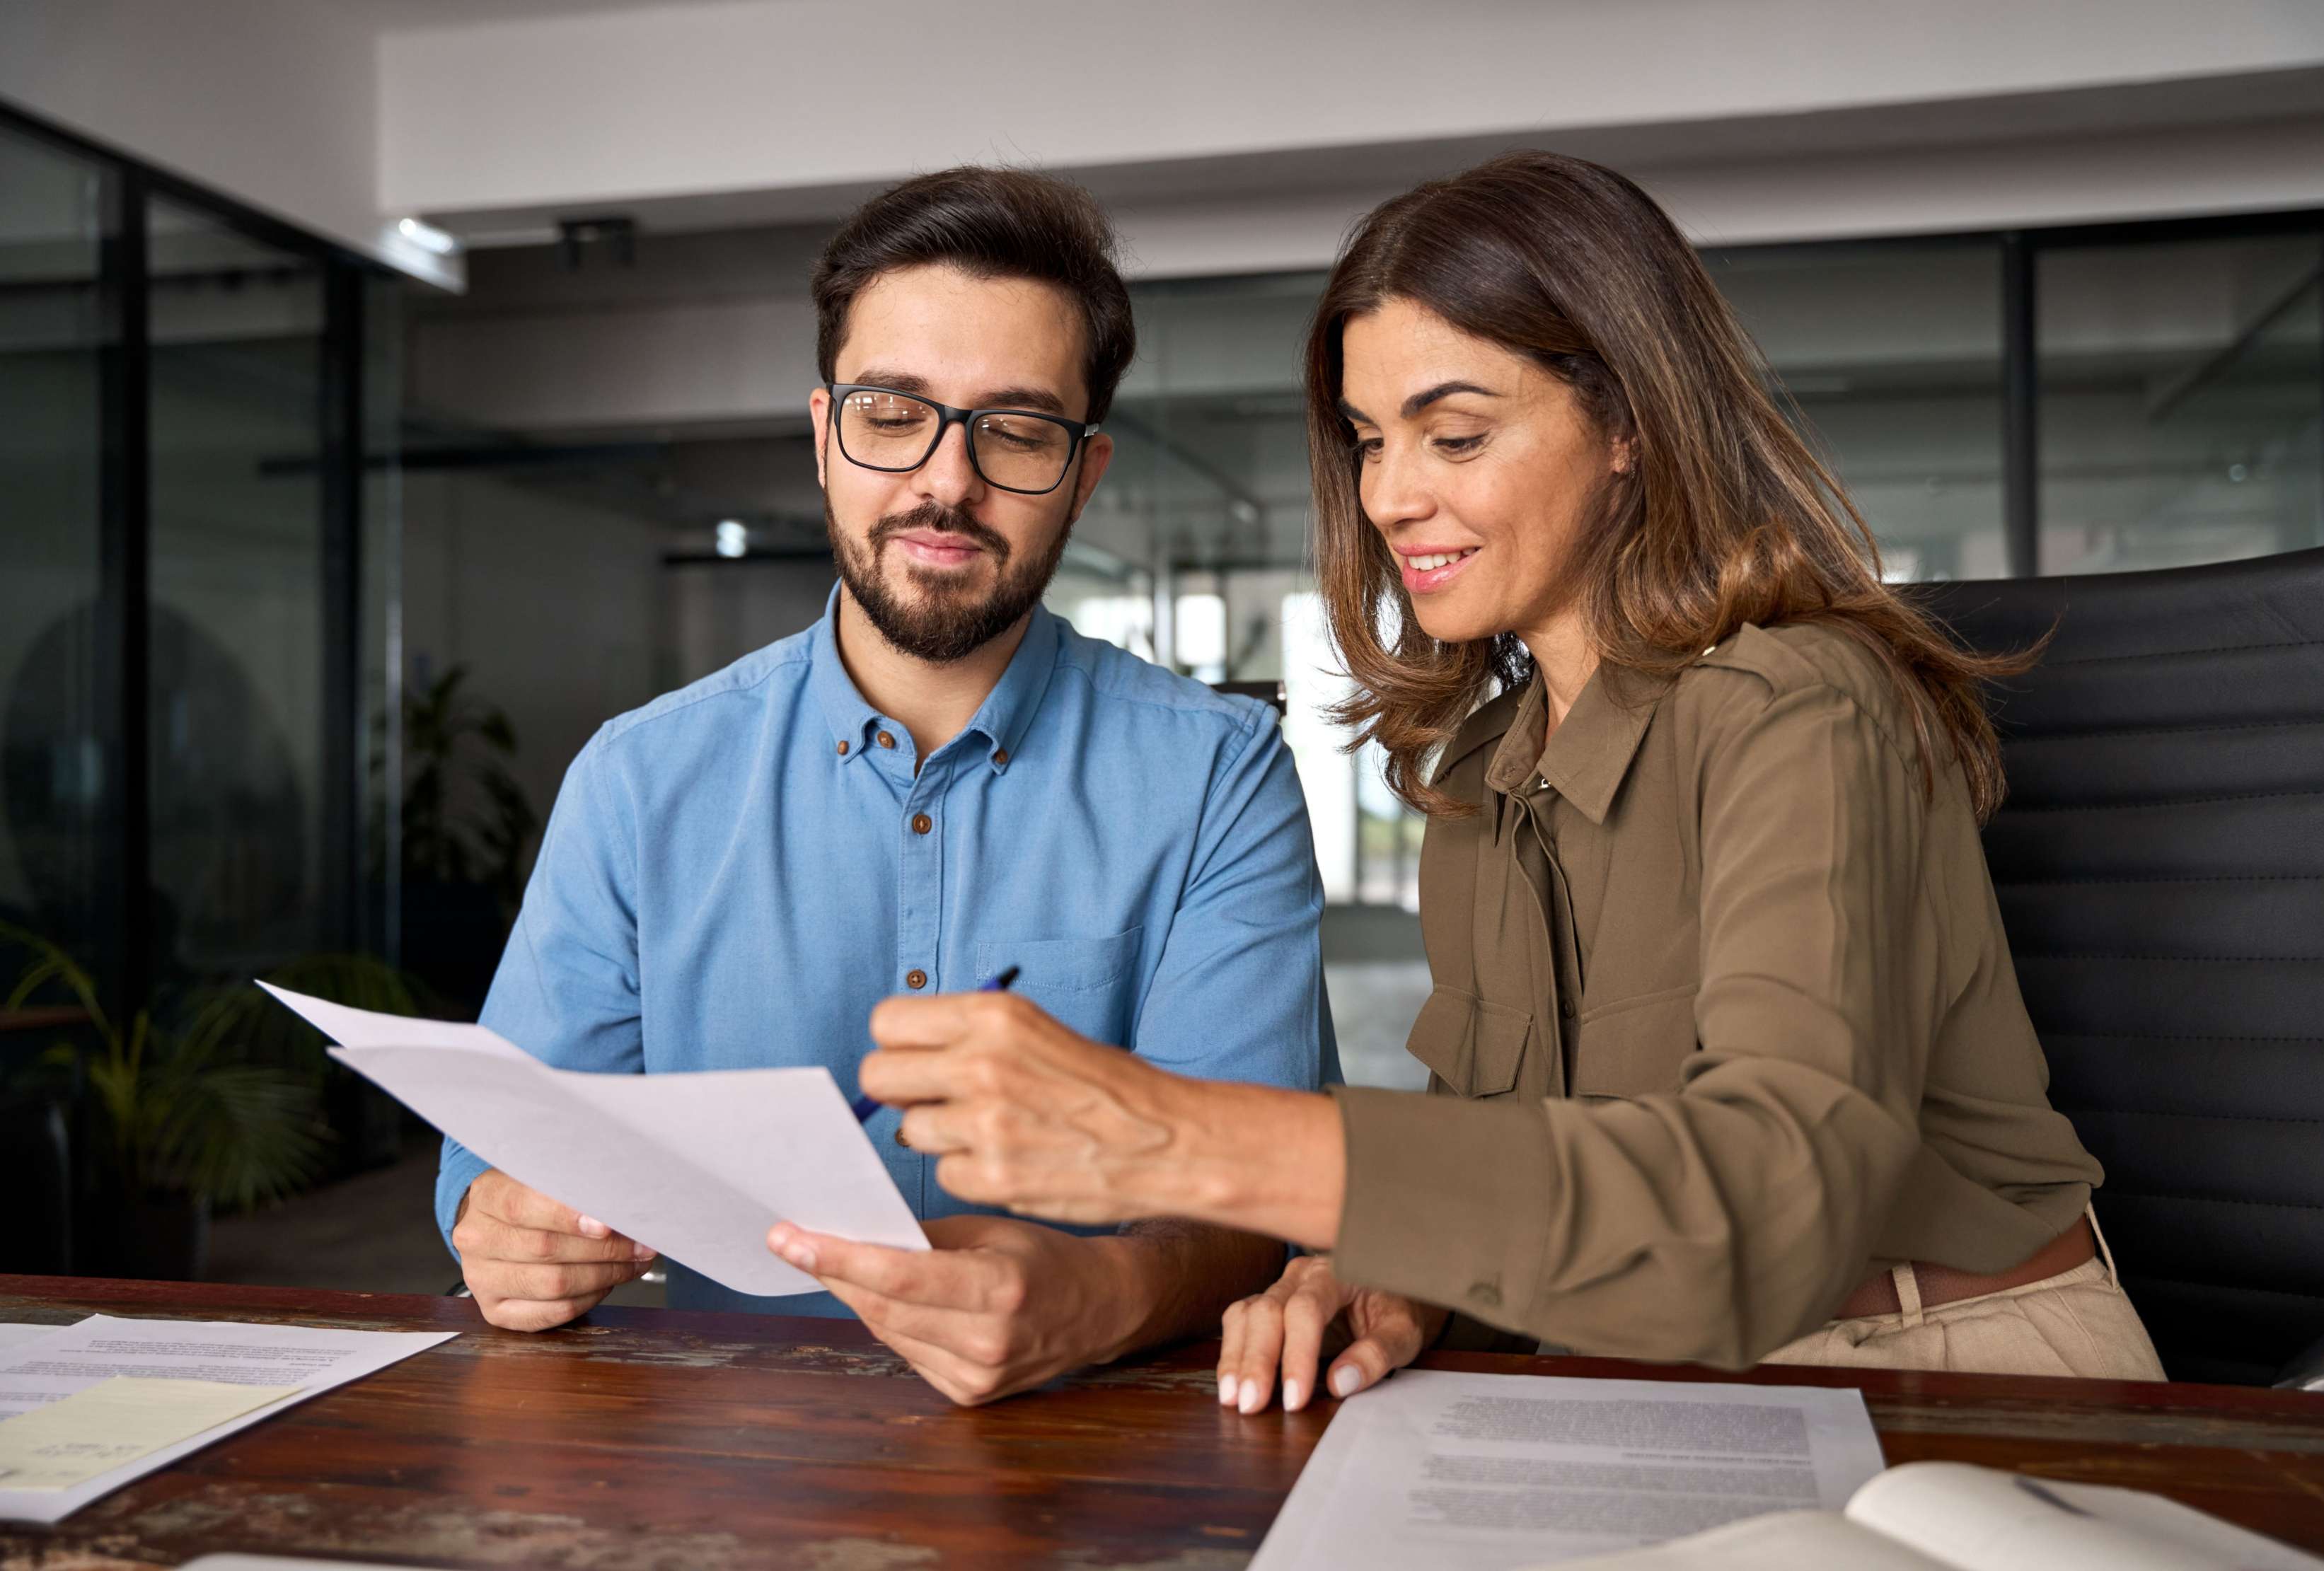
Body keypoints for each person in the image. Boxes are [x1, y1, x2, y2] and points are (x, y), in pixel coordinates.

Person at [838, 152, 2166, 1414]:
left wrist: (1182, 1138)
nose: (1391, 496)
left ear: (1630, 425)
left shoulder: (1805, 707)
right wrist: (1402, 1276)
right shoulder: (1484, 775)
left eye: (1455, 435)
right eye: (1367, 440)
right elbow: (1521, 1164)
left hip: (1942, 1364)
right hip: (1638, 1374)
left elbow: (1766, 1211)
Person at [438, 166, 1336, 1406]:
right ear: (823, 434)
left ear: (1084, 472)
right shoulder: (639, 781)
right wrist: (502, 1226)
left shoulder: (1216, 776)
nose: (947, 482)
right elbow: (499, 1154)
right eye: (894, 411)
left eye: (1015, 430)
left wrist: (1100, 1295)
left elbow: (1261, 1197)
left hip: (1110, 1462)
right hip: (730, 1468)